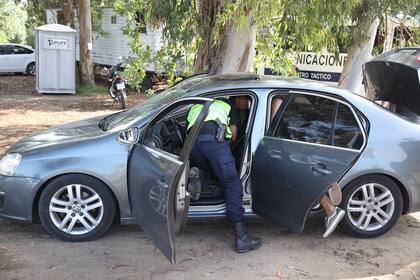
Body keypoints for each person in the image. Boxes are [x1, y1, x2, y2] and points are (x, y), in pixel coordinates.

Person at [187, 97, 262, 253]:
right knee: (232, 183)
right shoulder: (226, 104)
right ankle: (242, 238)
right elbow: (234, 135)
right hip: (214, 140)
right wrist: (226, 152)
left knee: (207, 168)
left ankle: (199, 173)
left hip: (193, 143)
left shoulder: (195, 105)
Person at [270, 95, 345, 238]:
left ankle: (330, 209)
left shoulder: (278, 99)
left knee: (297, 180)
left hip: (289, 147)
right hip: (299, 144)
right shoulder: (292, 100)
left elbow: (275, 124)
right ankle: (327, 184)